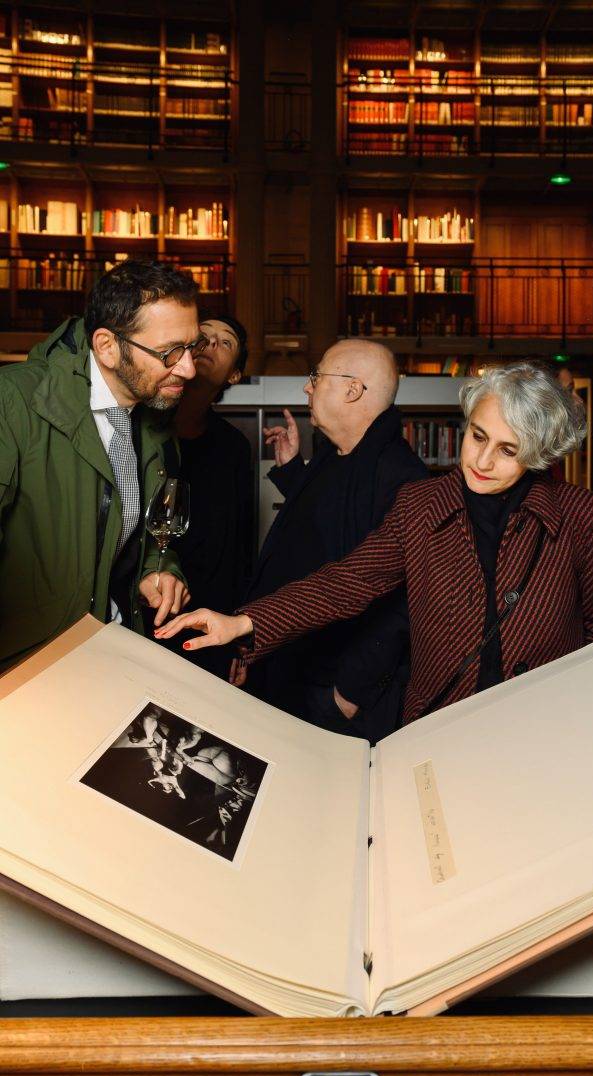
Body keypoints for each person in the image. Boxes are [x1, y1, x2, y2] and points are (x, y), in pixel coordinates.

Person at [157, 360, 593, 725]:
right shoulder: (421, 504)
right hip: (441, 722)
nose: (482, 461)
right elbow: (346, 582)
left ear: (538, 454)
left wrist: (585, 715)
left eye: (508, 450)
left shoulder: (579, 514)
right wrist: (244, 622)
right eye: (477, 436)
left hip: (544, 722)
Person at [0, 259, 201, 669]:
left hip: (108, 649)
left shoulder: (155, 416)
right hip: (29, 668)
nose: (189, 368)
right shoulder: (12, 402)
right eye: (170, 353)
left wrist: (158, 568)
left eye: (192, 347)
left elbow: (136, 533)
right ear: (107, 346)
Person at [235, 337, 427, 739]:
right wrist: (294, 472)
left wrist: (349, 693)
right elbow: (325, 528)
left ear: (352, 389)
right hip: (286, 663)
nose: (307, 387)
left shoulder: (403, 477)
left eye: (316, 376)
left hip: (331, 688)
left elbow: (404, 600)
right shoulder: (333, 453)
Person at [152, 315, 252, 678]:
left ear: (234, 375)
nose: (210, 345)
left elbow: (239, 548)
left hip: (206, 620)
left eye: (225, 342)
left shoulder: (234, 447)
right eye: (203, 337)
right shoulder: (141, 428)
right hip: (141, 610)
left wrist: (240, 638)